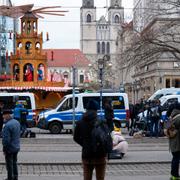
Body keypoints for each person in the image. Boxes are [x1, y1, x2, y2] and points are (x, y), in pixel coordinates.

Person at [73, 100, 107, 180]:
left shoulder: (80, 122)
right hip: (100, 154)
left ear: (87, 109)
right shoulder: (101, 122)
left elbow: (75, 137)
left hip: (87, 155)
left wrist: (84, 144)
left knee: (87, 178)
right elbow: (106, 138)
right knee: (100, 178)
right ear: (96, 110)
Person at [2, 109, 21, 180]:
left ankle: (10, 178)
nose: (3, 117)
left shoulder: (7, 125)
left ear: (7, 115)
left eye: (4, 115)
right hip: (16, 146)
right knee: (14, 163)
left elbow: (6, 140)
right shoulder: (17, 122)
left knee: (9, 165)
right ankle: (15, 177)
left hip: (9, 148)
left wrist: (4, 149)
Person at [168, 108, 180, 180]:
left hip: (172, 142)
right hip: (178, 142)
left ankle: (173, 175)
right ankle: (175, 176)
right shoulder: (179, 118)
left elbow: (165, 129)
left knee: (175, 159)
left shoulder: (171, 118)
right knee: (176, 159)